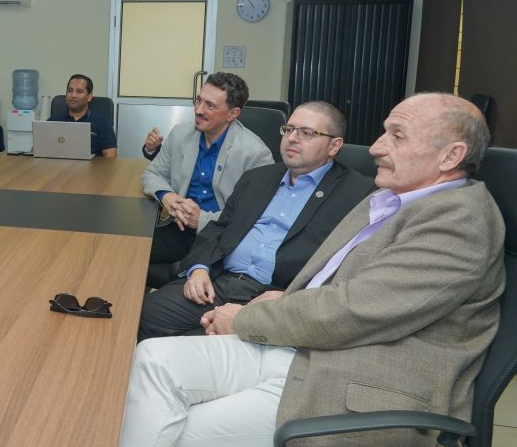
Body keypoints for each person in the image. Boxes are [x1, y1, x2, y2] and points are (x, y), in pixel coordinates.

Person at [108, 93, 503, 447]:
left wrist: (245, 318)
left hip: (349, 393)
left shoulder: (458, 222)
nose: (376, 147)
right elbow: (350, 287)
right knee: (153, 358)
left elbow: (353, 311)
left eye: (397, 135)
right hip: (306, 353)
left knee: (167, 443)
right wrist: (283, 301)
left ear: (451, 156)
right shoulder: (393, 200)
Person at [138, 102, 374, 341]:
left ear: (334, 146)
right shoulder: (257, 177)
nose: (292, 138)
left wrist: (291, 298)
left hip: (277, 298)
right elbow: (218, 228)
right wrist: (199, 269)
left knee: (204, 343)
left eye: (306, 133)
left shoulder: (359, 194)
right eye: (289, 129)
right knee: (142, 315)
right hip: (219, 282)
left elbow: (352, 266)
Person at [141, 72, 273, 267]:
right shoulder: (180, 134)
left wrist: (201, 220)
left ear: (233, 114)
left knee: (191, 274)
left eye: (210, 105)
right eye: (199, 100)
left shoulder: (256, 153)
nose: (198, 110)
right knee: (129, 251)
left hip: (223, 235)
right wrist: (167, 196)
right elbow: (152, 174)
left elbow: (254, 213)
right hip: (180, 228)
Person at [48, 74, 117, 157]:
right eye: (70, 90)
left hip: (92, 165)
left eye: (79, 91)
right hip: (58, 164)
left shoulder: (103, 124)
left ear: (89, 97)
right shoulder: (53, 121)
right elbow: (39, 149)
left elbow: (110, 156)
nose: (73, 95)